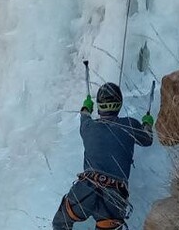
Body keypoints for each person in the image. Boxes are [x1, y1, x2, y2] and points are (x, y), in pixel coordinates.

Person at [52, 82, 155, 229]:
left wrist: (87, 105)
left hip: (86, 190)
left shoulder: (88, 127)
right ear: (119, 104)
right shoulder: (129, 125)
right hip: (114, 197)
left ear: (99, 106)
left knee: (60, 223)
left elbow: (84, 115)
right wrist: (147, 124)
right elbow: (147, 139)